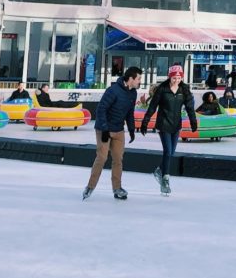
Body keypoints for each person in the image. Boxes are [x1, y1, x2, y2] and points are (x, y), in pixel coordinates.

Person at [83, 66, 141, 202]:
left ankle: (117, 188)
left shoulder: (133, 93)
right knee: (102, 157)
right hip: (104, 129)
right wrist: (104, 129)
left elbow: (129, 113)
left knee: (118, 159)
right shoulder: (113, 90)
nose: (139, 82)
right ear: (131, 78)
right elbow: (101, 109)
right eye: (138, 79)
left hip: (119, 130)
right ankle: (90, 187)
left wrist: (132, 129)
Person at [140, 64, 198, 196]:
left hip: (176, 125)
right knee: (167, 151)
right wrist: (145, 122)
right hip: (163, 124)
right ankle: (165, 179)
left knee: (171, 152)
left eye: (179, 78)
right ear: (169, 77)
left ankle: (160, 170)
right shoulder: (162, 89)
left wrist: (193, 121)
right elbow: (152, 106)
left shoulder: (184, 89)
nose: (176, 80)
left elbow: (189, 107)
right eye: (174, 78)